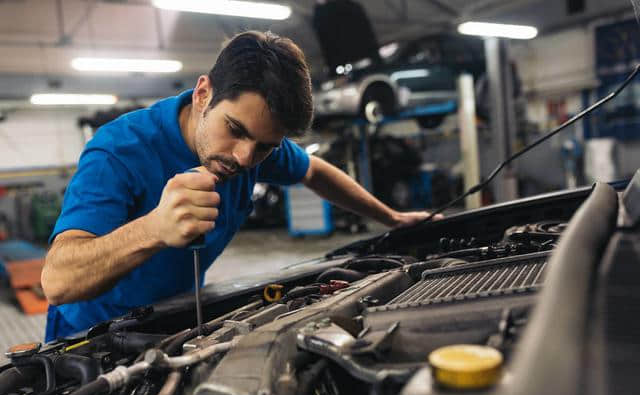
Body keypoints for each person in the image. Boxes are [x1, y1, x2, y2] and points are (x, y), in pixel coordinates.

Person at [41, 31, 440, 342]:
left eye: (266, 146)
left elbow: (315, 171)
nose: (246, 159)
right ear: (203, 94)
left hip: (173, 318)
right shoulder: (119, 151)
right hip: (91, 337)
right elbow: (58, 281)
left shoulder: (252, 149)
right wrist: (154, 229)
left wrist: (391, 217)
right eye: (234, 129)